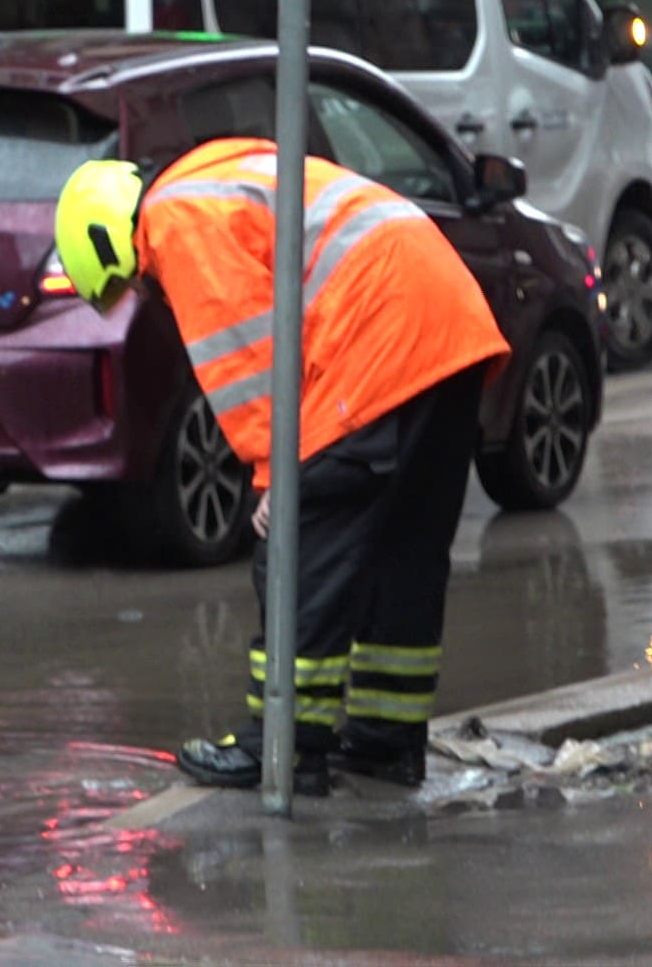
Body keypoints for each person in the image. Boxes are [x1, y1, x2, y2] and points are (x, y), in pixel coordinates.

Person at [53, 138, 510, 794]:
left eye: (129, 283)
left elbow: (248, 361)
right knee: (401, 550)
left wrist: (276, 476)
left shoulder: (176, 222)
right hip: (445, 327)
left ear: (107, 242)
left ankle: (283, 747)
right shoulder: (214, 177)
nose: (144, 292)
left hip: (377, 333)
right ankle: (385, 743)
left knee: (295, 543)